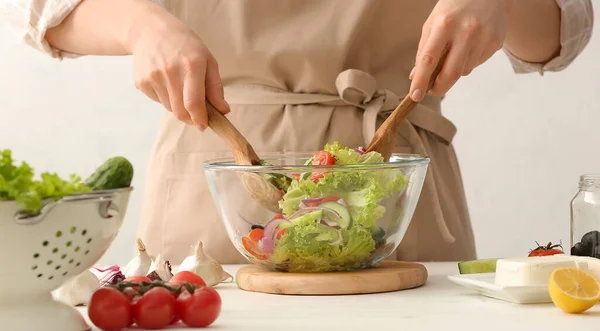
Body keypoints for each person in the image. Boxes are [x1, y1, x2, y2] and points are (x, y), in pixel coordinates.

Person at [3, 0, 593, 264]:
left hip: (396, 185)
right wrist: (139, 22)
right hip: (217, 178)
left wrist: (503, 2)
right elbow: (40, 10)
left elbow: (558, 37)